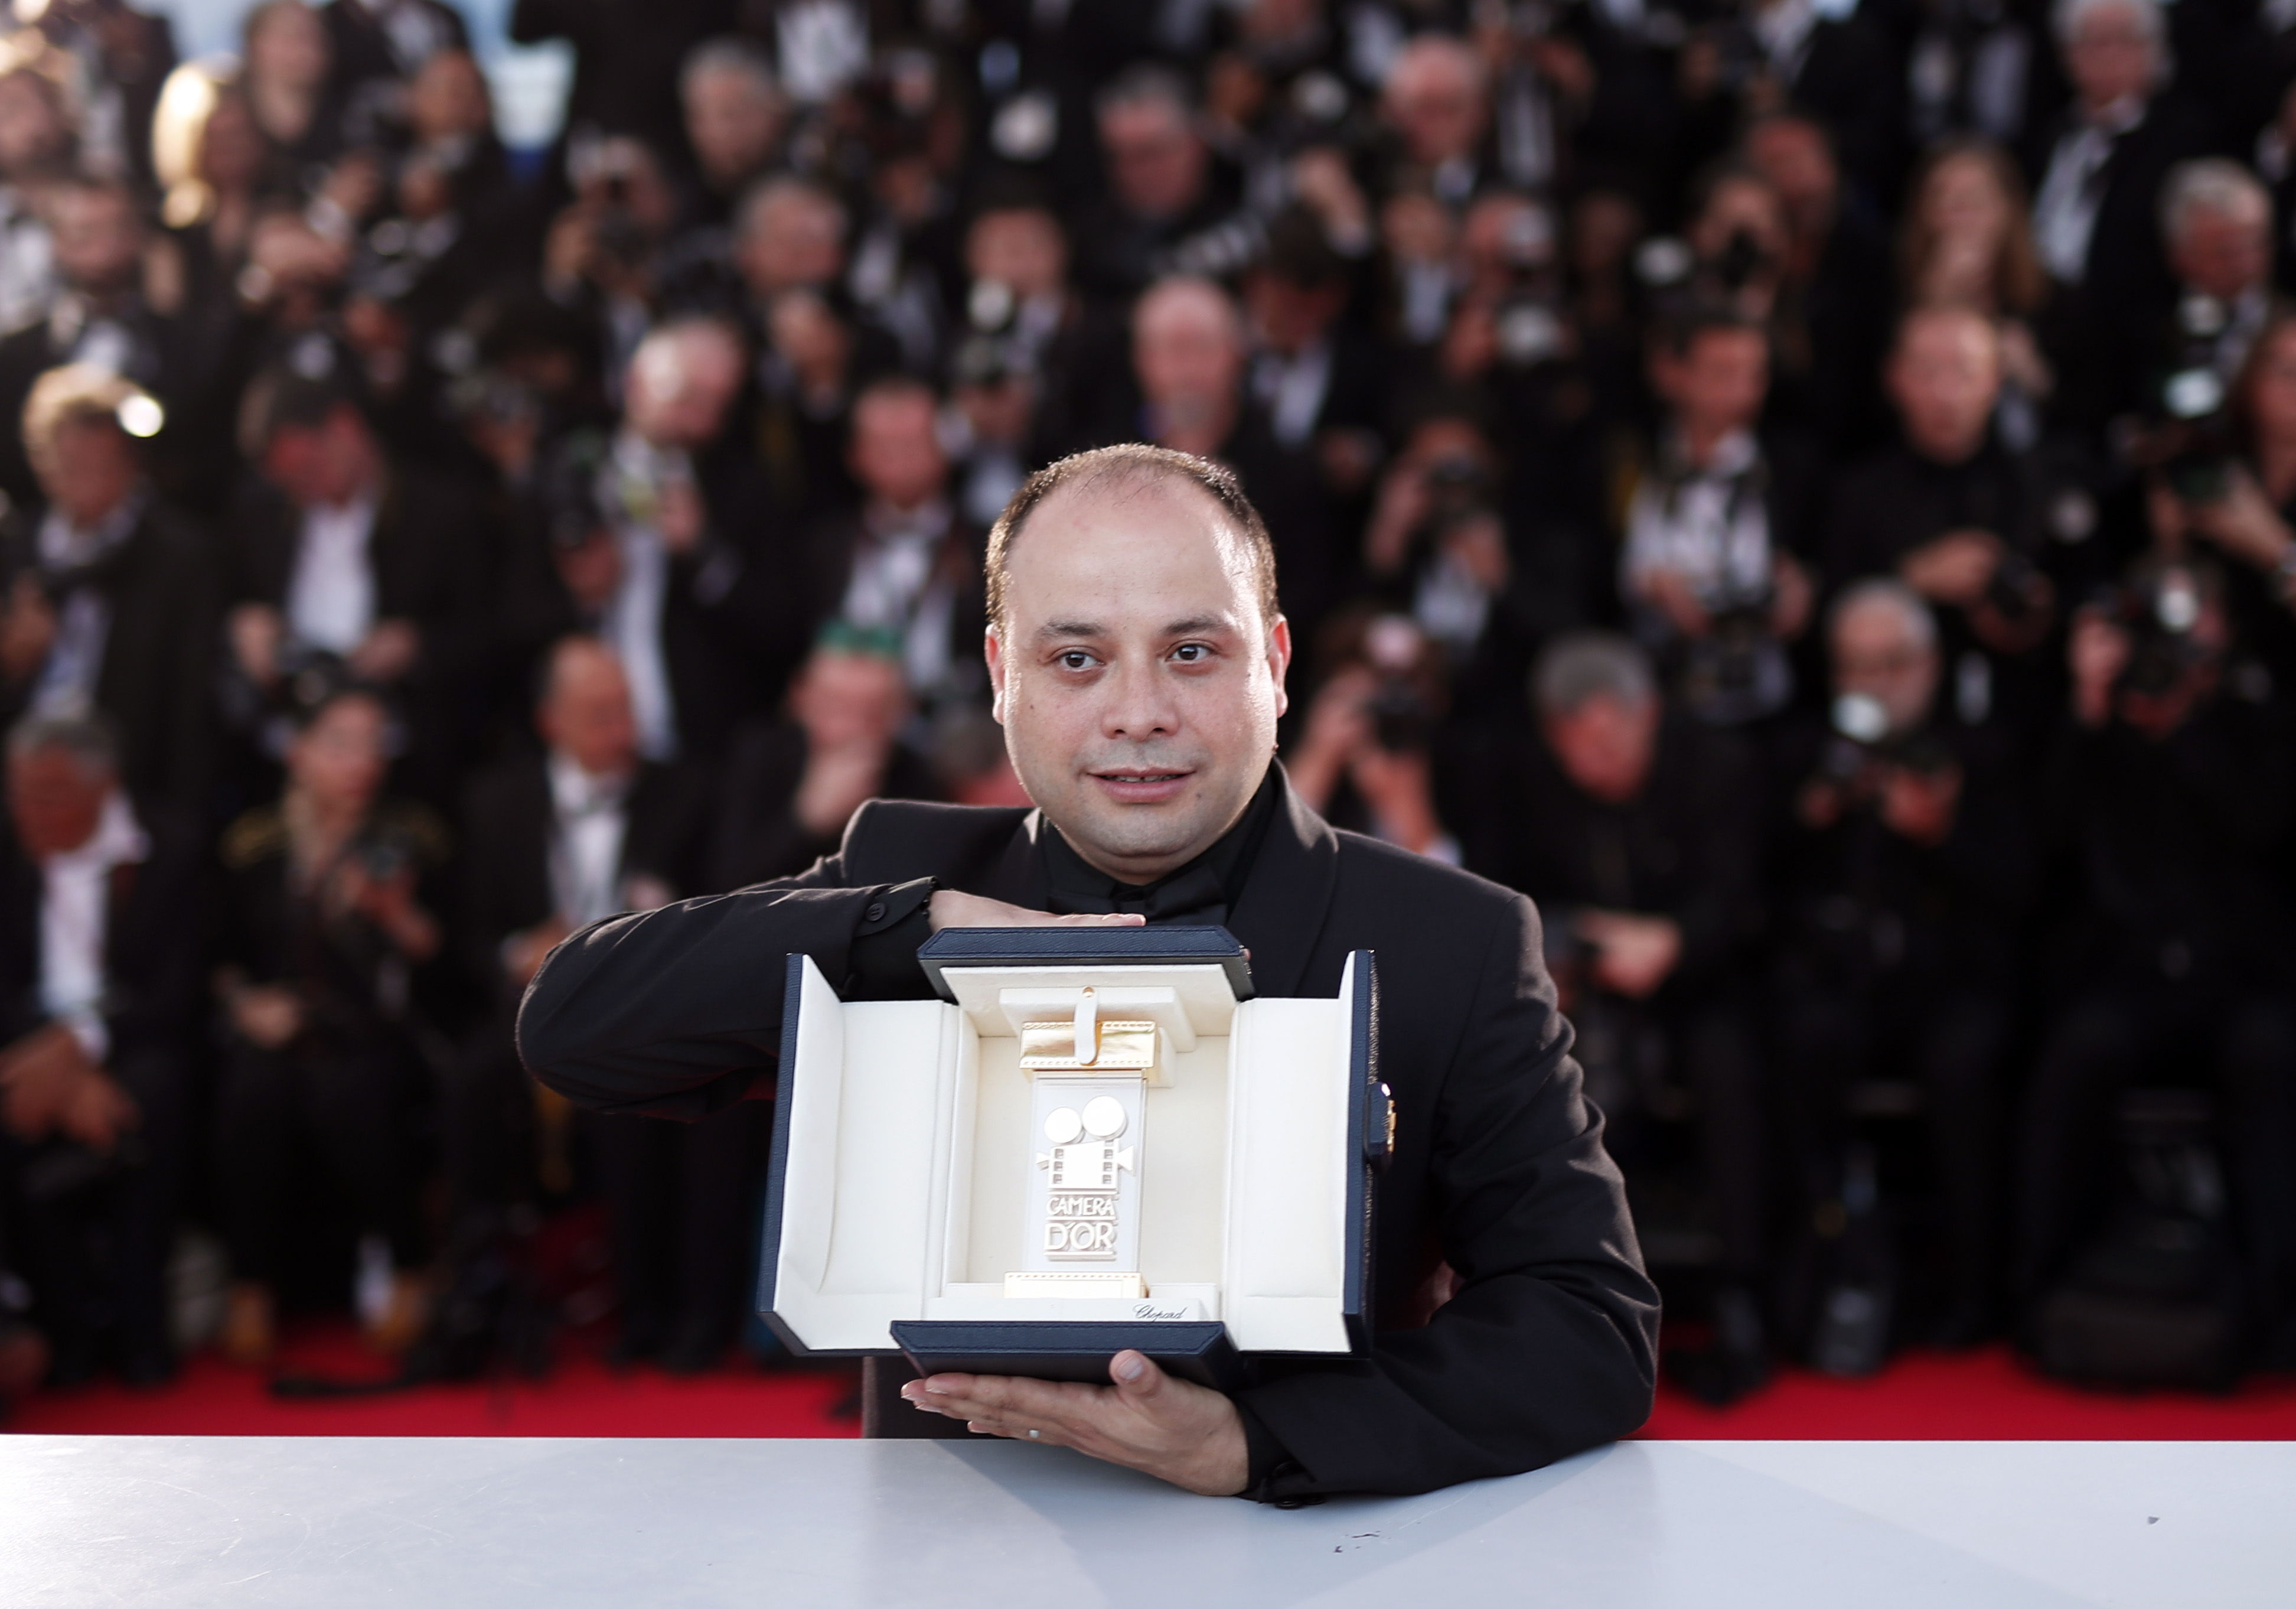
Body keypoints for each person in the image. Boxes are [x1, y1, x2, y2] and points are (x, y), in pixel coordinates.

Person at [518, 442, 1658, 1500]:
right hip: (946, 1554)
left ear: (1273, 659)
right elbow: (573, 1025)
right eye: (1075, 659)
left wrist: (1255, 1442)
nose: (1137, 713)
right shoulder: (902, 873)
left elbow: (1588, 1322)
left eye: (1191, 651)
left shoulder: (1451, 938)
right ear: (998, 674)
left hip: (1303, 1555)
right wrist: (908, 928)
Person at [1466, 632, 1769, 1403]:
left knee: (1729, 1063)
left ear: (1649, 715)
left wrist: (1675, 941)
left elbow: (1754, 904)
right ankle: (1562, 1292)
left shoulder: (1717, 768)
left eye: (1607, 741)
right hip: (1586, 983)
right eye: (1574, 748)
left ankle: (1745, 1294)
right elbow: (1507, 890)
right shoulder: (1534, 780)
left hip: (1711, 980)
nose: (1590, 765)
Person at [2018, 552, 2296, 1353]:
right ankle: (2041, 1289)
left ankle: (2276, 1303)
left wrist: (2186, 729)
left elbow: (2263, 823)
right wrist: (2088, 706)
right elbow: (2047, 842)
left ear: (2223, 636)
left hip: (2241, 978)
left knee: (2273, 1057)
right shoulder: (2097, 722)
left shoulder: (2253, 715)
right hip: (2128, 977)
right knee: (2075, 1052)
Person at [1770, 581, 2032, 1353]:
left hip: (1954, 985)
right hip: (1845, 982)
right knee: (1795, 1038)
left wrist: (1942, 833)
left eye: (1894, 665)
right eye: (1857, 668)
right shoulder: (1811, 756)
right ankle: (1809, 1280)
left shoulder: (1983, 752)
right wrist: (1811, 817)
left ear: (1931, 663)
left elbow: (2023, 893)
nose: (1878, 685)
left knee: (1965, 1063)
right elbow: (1759, 887)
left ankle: (1974, 1289)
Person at [455, 636, 715, 1365]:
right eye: (600, 716)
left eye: (626, 710)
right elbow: (468, 938)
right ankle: (481, 1295)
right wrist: (519, 952)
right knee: (467, 1085)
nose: (622, 732)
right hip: (528, 1012)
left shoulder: (682, 791)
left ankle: (655, 1312)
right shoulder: (496, 802)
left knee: (644, 1096)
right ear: (552, 722)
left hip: (646, 1012)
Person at [212, 676, 448, 1364]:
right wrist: (245, 1004)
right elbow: (218, 955)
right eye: (341, 745)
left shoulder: (414, 837)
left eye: (374, 746)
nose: (360, 763)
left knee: (354, 1092)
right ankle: (250, 1283)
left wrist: (394, 914)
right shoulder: (254, 845)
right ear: (299, 752)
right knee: (252, 1091)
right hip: (281, 1027)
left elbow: (449, 963)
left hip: (379, 1029)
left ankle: (409, 1266)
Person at [0, 714, 200, 1386]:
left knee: (153, 1097)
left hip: (135, 1041)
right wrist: (50, 1060)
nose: (30, 810)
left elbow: (178, 993)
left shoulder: (168, 849)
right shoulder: (10, 847)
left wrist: (80, 1052)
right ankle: (63, 1334)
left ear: (103, 787)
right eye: (20, 792)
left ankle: (143, 1330)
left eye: (50, 795)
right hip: (28, 1046)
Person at [1824, 305, 2058, 738]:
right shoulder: (1858, 491)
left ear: (1995, 379)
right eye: (1927, 372)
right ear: (1893, 377)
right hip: (1894, 728)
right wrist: (1909, 581)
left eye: (1964, 372)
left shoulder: (2037, 484)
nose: (1945, 393)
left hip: (2022, 721)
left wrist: (2025, 617)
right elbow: (1830, 613)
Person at [0, 365, 214, 815]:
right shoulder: (14, 552)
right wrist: (19, 665)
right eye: (72, 466)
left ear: (130, 463)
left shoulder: (178, 558)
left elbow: (188, 711)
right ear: (43, 462)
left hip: (126, 783)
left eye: (104, 464)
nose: (88, 482)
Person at [1620, 307, 1818, 728]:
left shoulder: (1792, 465)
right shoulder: (1626, 456)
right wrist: (1650, 584)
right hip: (1649, 690)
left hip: (1767, 693)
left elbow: (1821, 558)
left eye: (1754, 374)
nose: (1743, 392)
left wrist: (1801, 589)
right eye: (1723, 373)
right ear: (1671, 372)